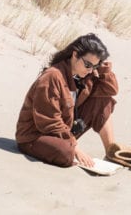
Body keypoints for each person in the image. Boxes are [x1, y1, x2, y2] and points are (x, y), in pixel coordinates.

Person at [15, 33, 118, 168]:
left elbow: (110, 91)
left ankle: (111, 151)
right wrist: (74, 147)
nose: (90, 70)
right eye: (87, 64)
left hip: (62, 131)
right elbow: (49, 121)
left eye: (94, 66)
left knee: (103, 102)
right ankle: (68, 147)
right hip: (35, 136)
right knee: (66, 153)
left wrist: (104, 70)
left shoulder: (83, 74)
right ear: (75, 55)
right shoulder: (52, 77)